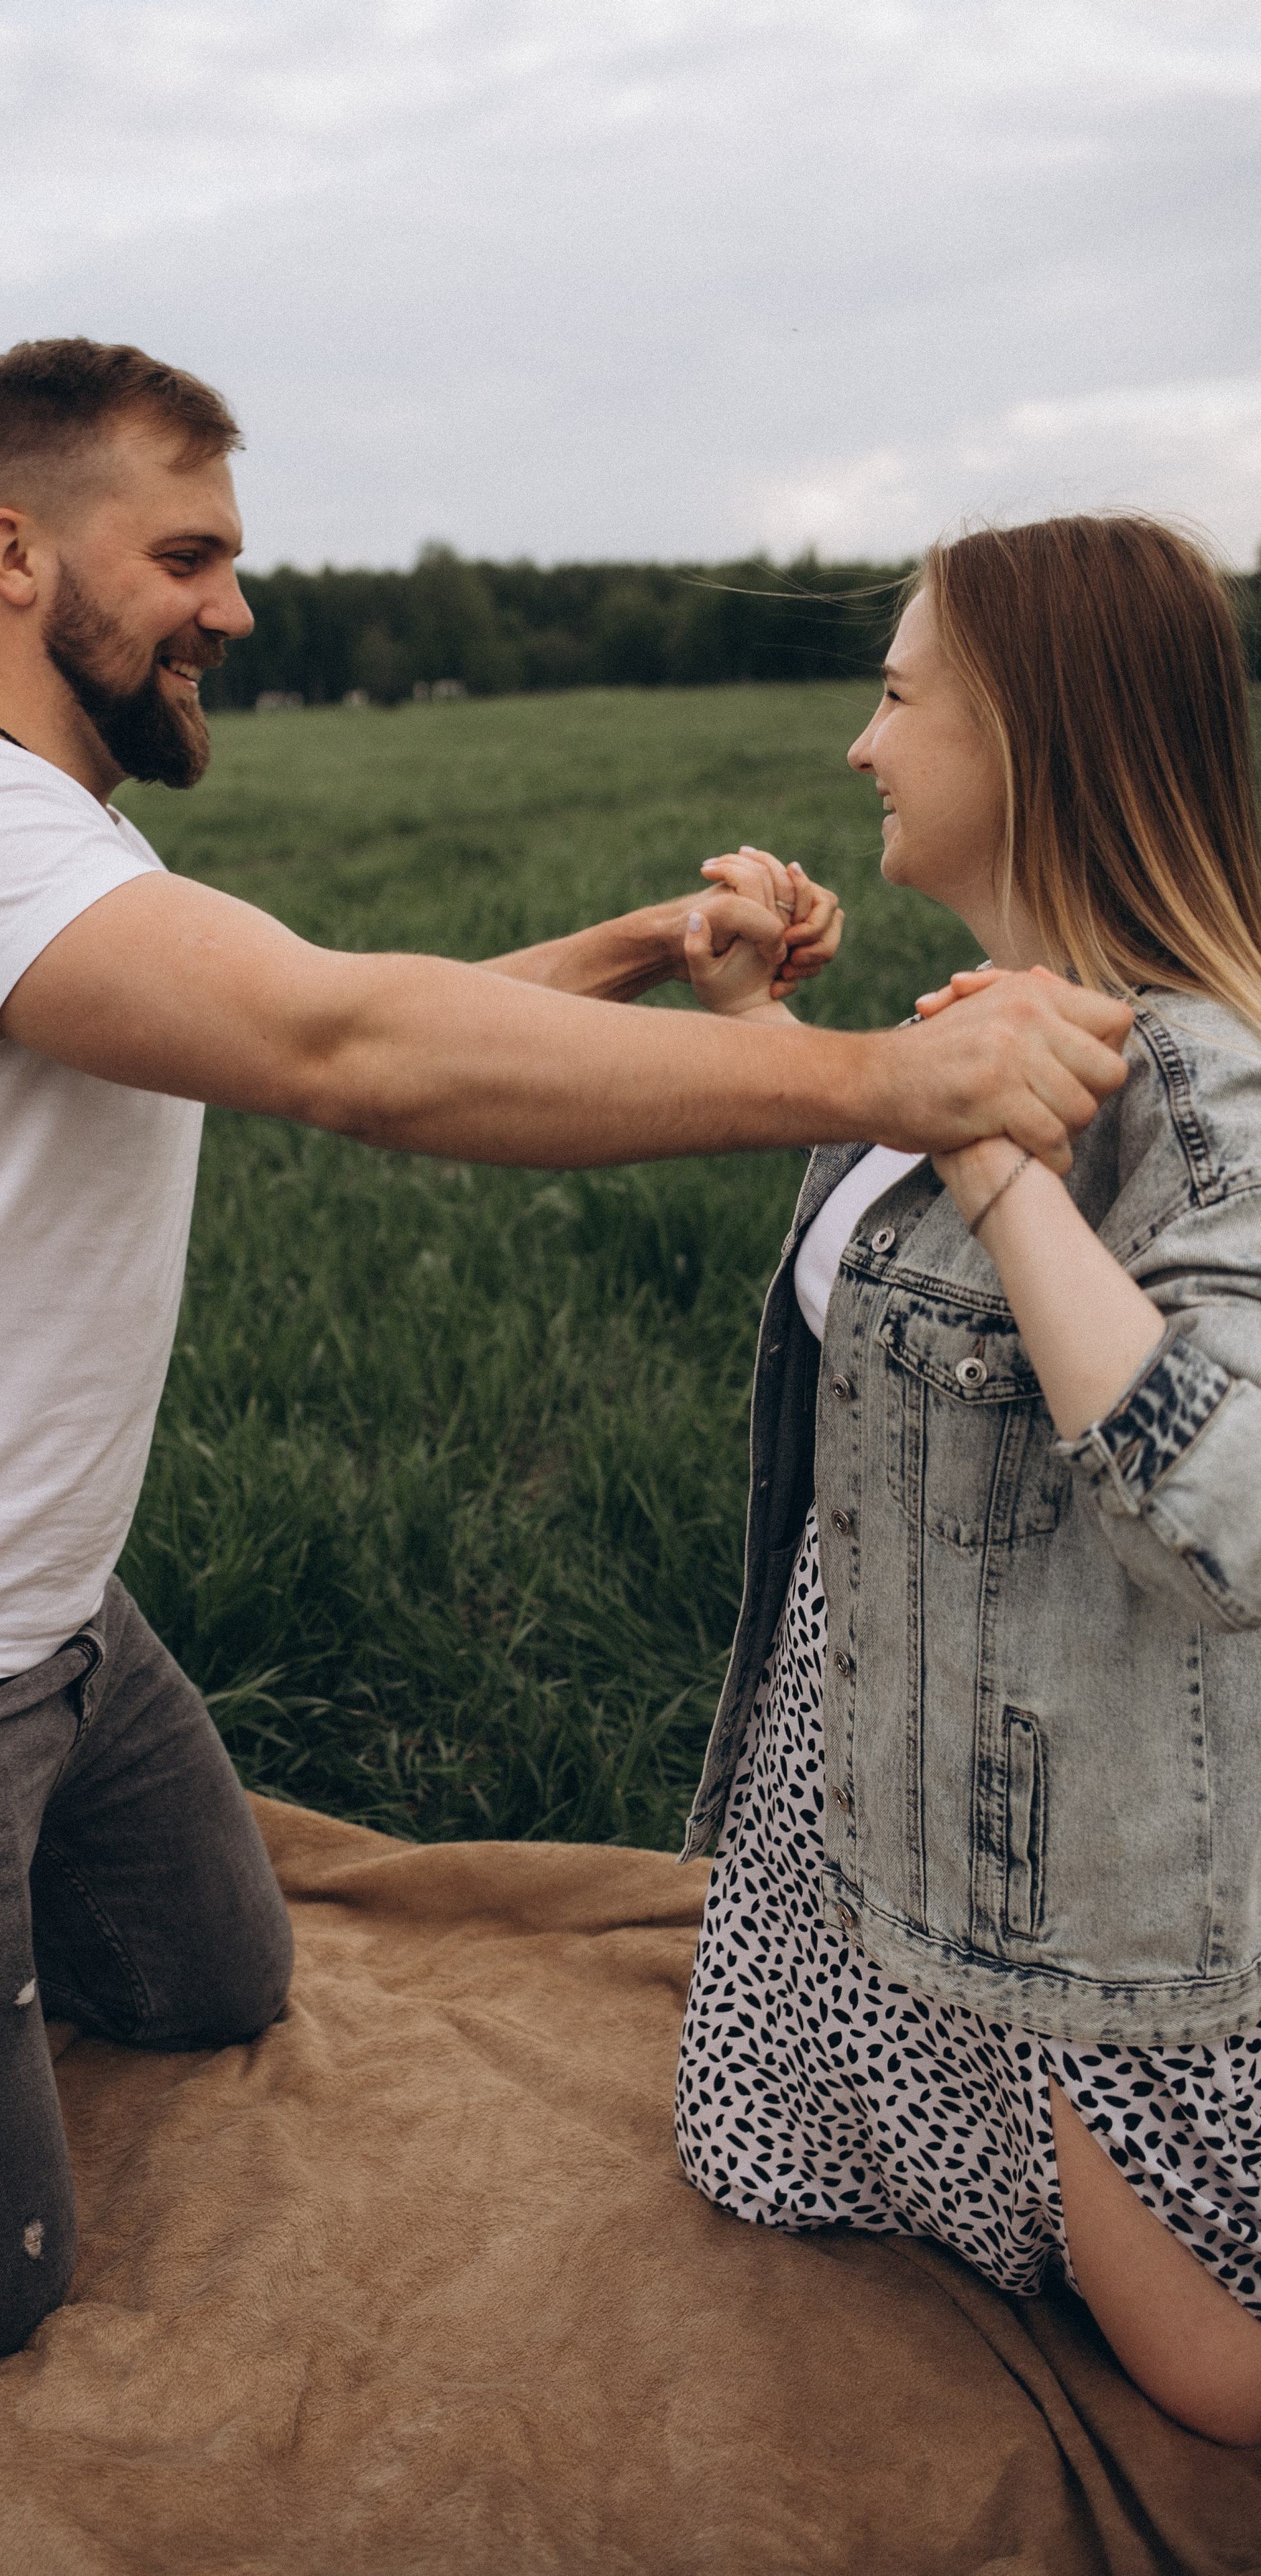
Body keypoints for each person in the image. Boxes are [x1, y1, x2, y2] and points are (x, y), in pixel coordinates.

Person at [0, 341, 1130, 2372]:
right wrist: (903, 1075)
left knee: (215, 1983)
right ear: (15, 554)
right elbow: (342, 1052)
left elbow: (325, 1019)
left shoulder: (51, 850)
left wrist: (643, 951)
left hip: (42, 1634)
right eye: (191, 552)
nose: (239, 606)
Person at [673, 513, 1261, 2446]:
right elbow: (910, 1339)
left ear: (1030, 736)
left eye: (901, 693)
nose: (862, 745)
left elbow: (1236, 1511)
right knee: (784, 2199)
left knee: (1216, 2382)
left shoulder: (1186, 1083)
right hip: (873, 1833)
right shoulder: (992, 1019)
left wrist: (1005, 1162)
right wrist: (779, 1034)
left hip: (1087, 1881)